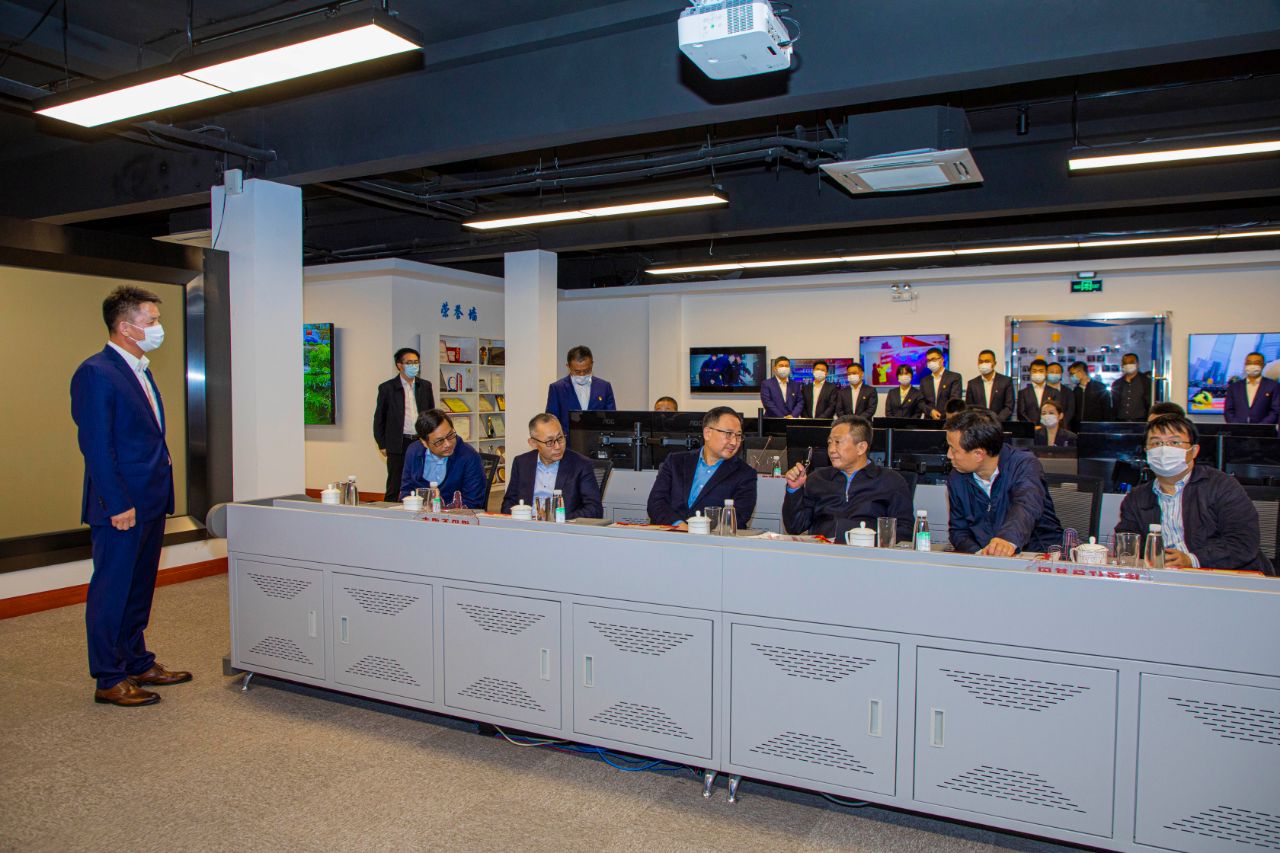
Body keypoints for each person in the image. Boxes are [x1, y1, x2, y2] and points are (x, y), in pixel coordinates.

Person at [70, 286, 190, 707]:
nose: (158, 327)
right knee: (113, 589)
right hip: (121, 505)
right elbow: (97, 446)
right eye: (151, 321)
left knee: (139, 588)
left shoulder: (139, 369)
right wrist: (117, 503)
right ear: (125, 327)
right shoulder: (96, 372)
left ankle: (136, 660)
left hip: (151, 500)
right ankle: (109, 676)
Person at [1115, 414, 1273, 574]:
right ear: (1146, 451)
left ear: (1194, 451)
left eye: (1174, 442)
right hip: (1163, 579)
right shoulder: (1136, 497)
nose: (1164, 449)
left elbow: (1243, 542)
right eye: (1156, 443)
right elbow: (1127, 542)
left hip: (1226, 577)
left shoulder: (1220, 485)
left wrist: (1192, 560)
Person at [945, 408, 1063, 556]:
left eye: (953, 449)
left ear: (978, 454)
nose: (948, 455)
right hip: (988, 560)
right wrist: (979, 554)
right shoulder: (957, 477)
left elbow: (1026, 505)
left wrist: (1007, 539)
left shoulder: (1024, 465)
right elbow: (959, 531)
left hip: (1037, 556)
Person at [781, 416, 914, 541]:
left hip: (868, 552)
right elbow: (794, 527)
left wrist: (869, 539)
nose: (831, 449)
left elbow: (906, 531)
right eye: (829, 443)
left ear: (861, 447)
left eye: (838, 442)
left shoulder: (890, 481)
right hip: (823, 552)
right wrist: (794, 490)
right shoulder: (818, 478)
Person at [647, 407, 758, 527]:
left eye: (738, 436)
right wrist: (679, 525)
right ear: (707, 433)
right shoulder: (675, 461)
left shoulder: (745, 474)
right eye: (728, 434)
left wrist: (696, 530)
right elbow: (656, 503)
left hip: (712, 537)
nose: (734, 442)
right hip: (669, 534)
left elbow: (738, 517)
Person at [502, 414, 602, 518]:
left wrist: (558, 518)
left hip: (561, 525)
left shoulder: (581, 465)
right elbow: (508, 503)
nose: (558, 446)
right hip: (526, 524)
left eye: (560, 438)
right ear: (533, 443)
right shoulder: (521, 463)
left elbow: (595, 509)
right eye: (550, 442)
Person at [373, 347, 436, 501]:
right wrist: (382, 444)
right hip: (398, 442)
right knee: (395, 483)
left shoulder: (425, 386)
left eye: (416, 362)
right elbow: (379, 418)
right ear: (399, 365)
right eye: (409, 363)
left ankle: (422, 508)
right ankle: (389, 511)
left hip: (421, 441)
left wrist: (432, 438)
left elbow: (431, 414)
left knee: (422, 479)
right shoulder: (387, 388)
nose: (414, 366)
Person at [399, 409, 487, 507]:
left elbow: (473, 502)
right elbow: (406, 491)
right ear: (424, 442)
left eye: (450, 435)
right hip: (418, 514)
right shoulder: (413, 452)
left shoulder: (469, 457)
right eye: (439, 441)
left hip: (455, 515)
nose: (448, 444)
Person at [545, 345, 616, 438]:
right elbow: (551, 421)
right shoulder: (557, 388)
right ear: (568, 366)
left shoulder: (604, 387)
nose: (582, 375)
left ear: (592, 364)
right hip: (567, 443)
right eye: (577, 371)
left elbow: (611, 419)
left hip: (597, 441)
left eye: (587, 370)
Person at [1224, 352, 1280, 424]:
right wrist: (1237, 426)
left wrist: (1261, 427)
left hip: (1264, 429)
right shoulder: (1234, 387)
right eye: (1249, 362)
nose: (1252, 365)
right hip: (1237, 429)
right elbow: (1228, 411)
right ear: (1245, 364)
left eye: (1256, 363)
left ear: (1263, 365)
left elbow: (1275, 411)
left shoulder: (1273, 386)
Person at [965, 349, 1014, 421]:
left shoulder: (1006, 381)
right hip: (979, 424)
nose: (983, 364)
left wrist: (996, 421)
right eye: (981, 361)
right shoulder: (972, 384)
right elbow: (969, 408)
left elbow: (1009, 407)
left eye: (987, 361)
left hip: (1000, 424)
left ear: (994, 363)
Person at [920, 347, 962, 421]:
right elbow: (921, 402)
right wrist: (931, 412)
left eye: (933, 359)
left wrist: (942, 415)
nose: (931, 362)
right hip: (929, 420)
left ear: (942, 359)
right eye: (928, 360)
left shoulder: (954, 377)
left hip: (948, 420)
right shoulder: (924, 381)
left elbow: (955, 399)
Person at [1068, 360, 1111, 430]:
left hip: (1097, 427)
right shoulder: (1076, 390)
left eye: (1072, 374)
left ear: (1080, 372)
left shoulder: (1100, 387)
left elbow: (1107, 409)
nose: (1071, 376)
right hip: (1079, 428)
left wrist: (1106, 426)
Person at [1111, 352, 1153, 421]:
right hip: (1120, 422)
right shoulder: (1117, 384)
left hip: (1141, 422)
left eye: (1131, 362)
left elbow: (1150, 403)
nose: (1128, 365)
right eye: (1125, 363)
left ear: (1138, 364)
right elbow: (1114, 404)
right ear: (1122, 365)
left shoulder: (1146, 382)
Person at [1016, 358, 1053, 424]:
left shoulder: (1054, 392)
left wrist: (1043, 426)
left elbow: (1056, 412)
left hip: (1048, 427)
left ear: (1046, 373)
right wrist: (1032, 426)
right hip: (1029, 428)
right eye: (1034, 371)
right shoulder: (1023, 393)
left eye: (1041, 371)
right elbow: (1021, 413)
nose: (1037, 373)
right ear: (1030, 373)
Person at [1044, 361, 1075, 427]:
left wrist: (1061, 424)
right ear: (1046, 373)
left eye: (1057, 372)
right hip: (1044, 426)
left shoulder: (1068, 391)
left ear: (1061, 374)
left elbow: (1070, 411)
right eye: (1051, 372)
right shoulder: (1041, 391)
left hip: (1063, 427)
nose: (1054, 374)